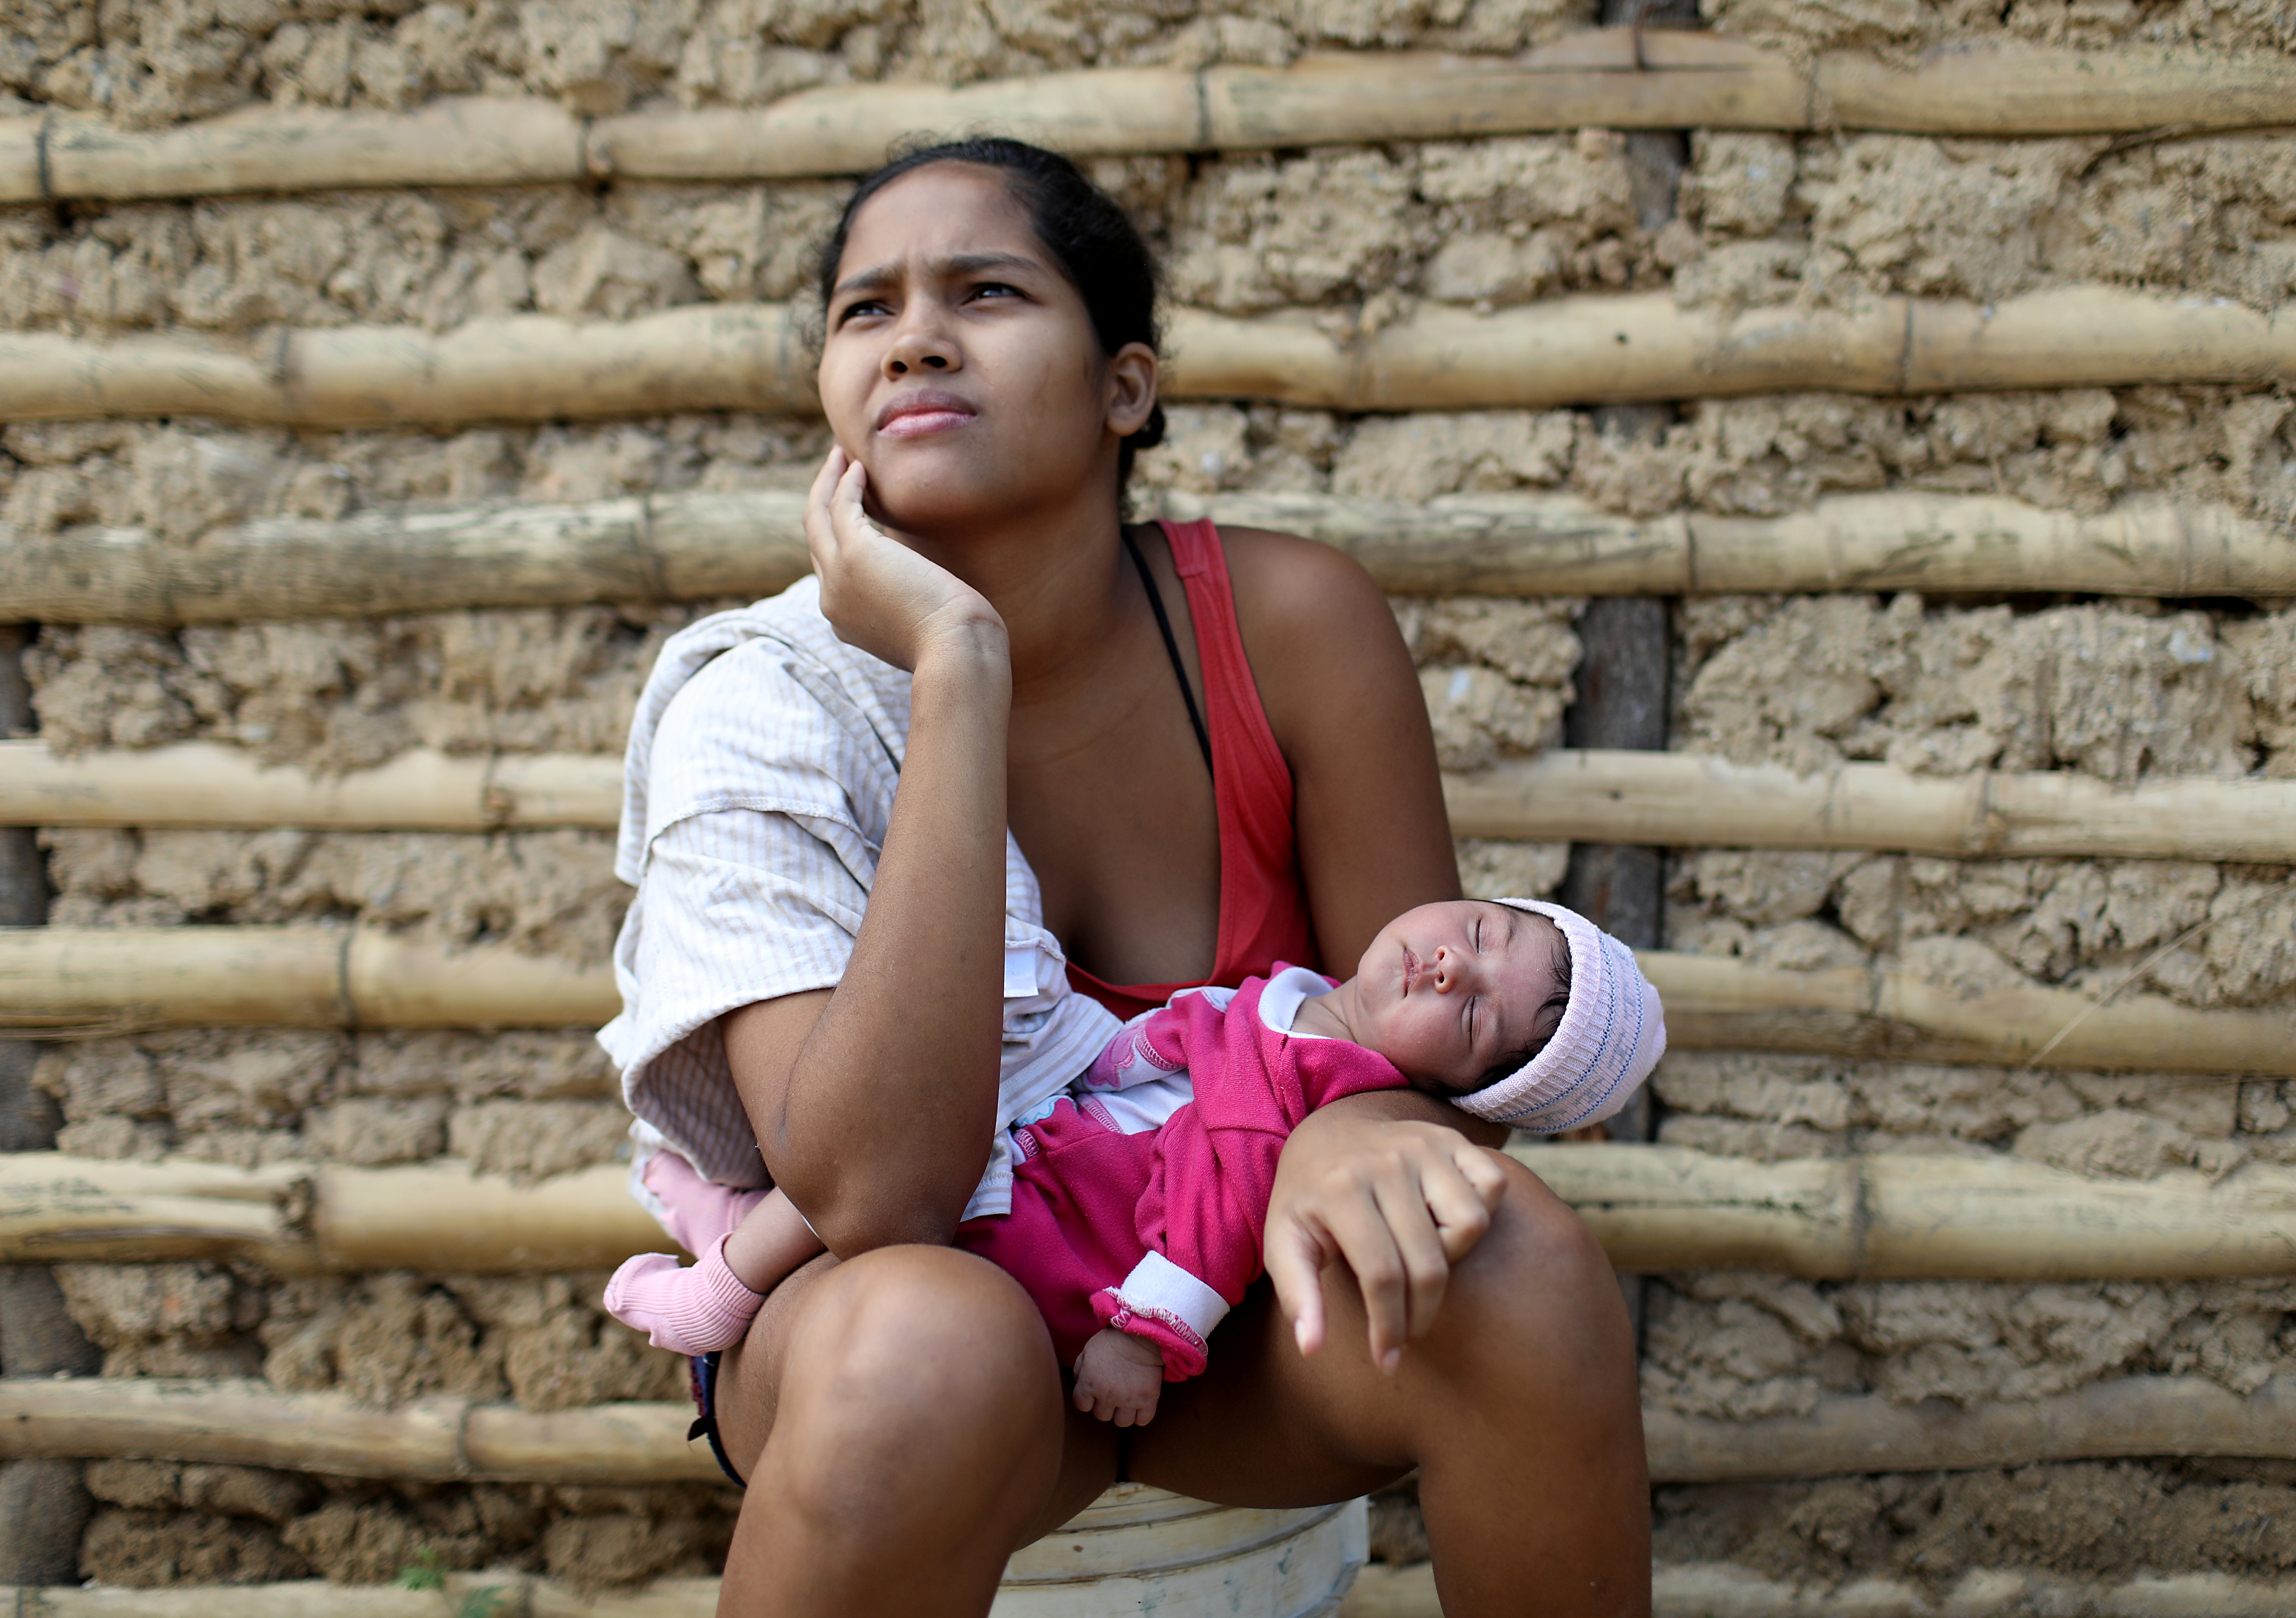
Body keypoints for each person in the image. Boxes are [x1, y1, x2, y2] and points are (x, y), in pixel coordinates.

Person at [598, 134, 1652, 1618]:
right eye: (865, 311)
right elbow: (874, 1189)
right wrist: (956, 666)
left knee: (1516, 1267)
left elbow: (1409, 1032)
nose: (915, 338)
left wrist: (1350, 1129)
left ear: (1124, 388)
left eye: (985, 290)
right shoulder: (758, 707)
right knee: (925, 1338)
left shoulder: (1289, 627)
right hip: (879, 1334)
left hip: (1204, 1333)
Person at [605, 896, 1666, 1435]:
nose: (1449, 965)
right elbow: (1171, 1041)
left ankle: (719, 1291)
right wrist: (1108, 1053)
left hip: (1069, 1229)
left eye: (1473, 1010)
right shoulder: (1296, 999)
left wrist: (1145, 1337)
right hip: (1080, 1128)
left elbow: (1224, 1213)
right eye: (1477, 929)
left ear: (1460, 1094)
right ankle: (741, 1219)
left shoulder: (1313, 1095)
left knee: (907, 1148)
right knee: (931, 1090)